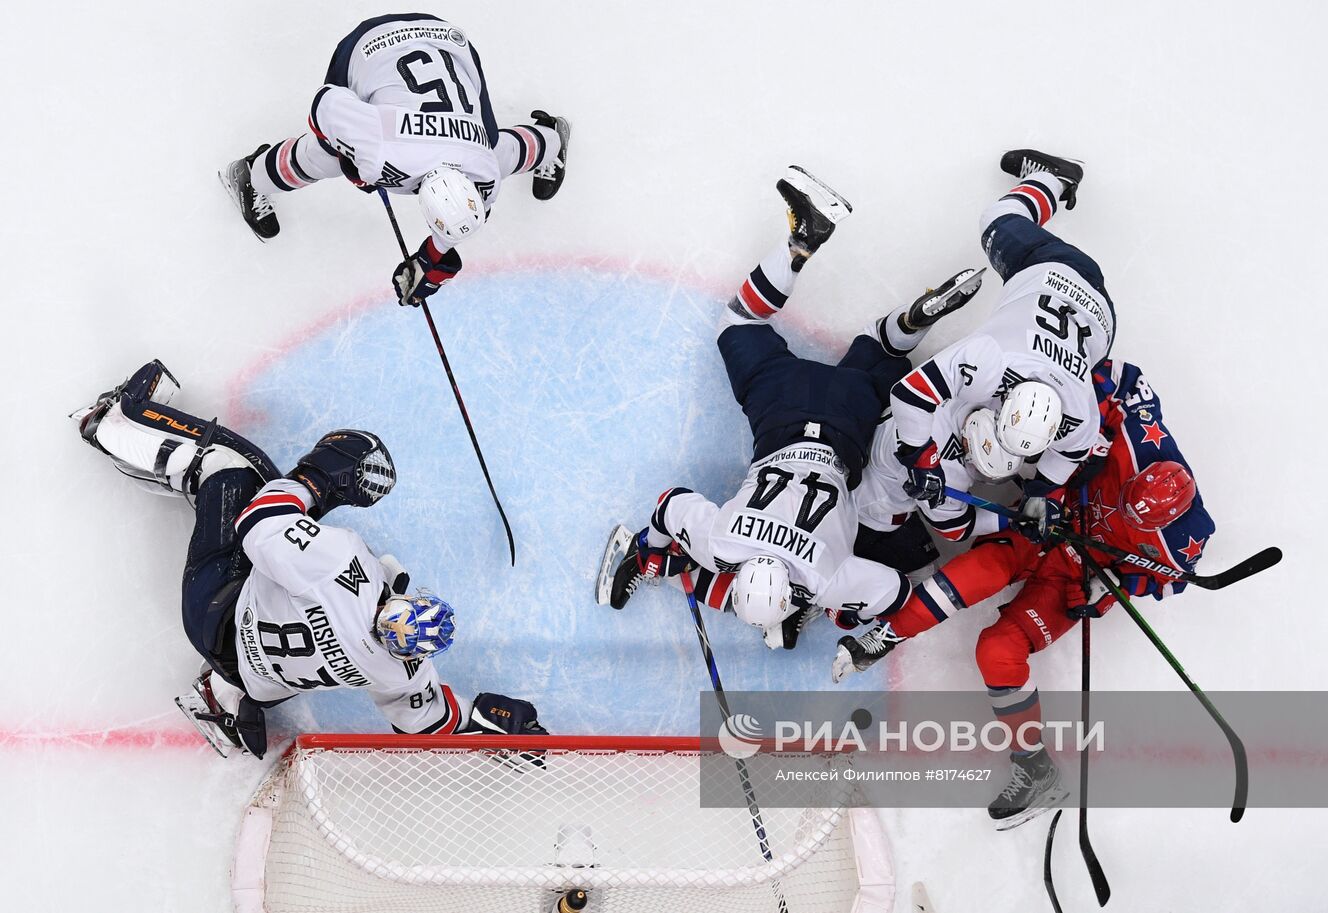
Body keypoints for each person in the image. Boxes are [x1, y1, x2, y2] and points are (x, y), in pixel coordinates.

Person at [72, 360, 545, 758]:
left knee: (237, 468)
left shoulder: (337, 569)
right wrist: (485, 717)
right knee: (285, 641)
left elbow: (257, 524)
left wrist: (316, 480)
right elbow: (430, 723)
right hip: (253, 674)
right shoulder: (402, 671)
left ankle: (113, 425)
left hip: (213, 606)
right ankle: (224, 699)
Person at [597, 168, 977, 648]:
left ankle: (908, 323)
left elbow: (896, 592)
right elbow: (670, 503)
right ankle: (800, 244)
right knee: (739, 321)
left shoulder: (824, 580)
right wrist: (648, 547)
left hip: (852, 420)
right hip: (784, 410)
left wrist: (839, 611)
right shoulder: (723, 546)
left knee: (878, 360)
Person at [833, 359, 1215, 829]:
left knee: (998, 651)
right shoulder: (1141, 444)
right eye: (1124, 498)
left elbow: (1164, 580)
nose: (1124, 514)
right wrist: (1066, 466)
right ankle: (885, 636)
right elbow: (1115, 374)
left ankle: (1037, 770)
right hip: (1047, 525)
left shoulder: (1183, 542)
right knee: (977, 571)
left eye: (1136, 522)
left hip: (1074, 575)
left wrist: (1110, 587)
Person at [220, 12, 571, 307]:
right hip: (372, 44)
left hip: (449, 40)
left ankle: (553, 136)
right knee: (323, 156)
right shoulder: (385, 148)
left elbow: (459, 218)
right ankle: (251, 175)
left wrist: (432, 259)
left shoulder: (484, 176)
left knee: (494, 149)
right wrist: (350, 158)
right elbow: (324, 104)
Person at [882, 149, 1116, 543]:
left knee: (998, 221)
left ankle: (1055, 179)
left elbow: (1072, 451)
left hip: (1098, 319)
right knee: (996, 222)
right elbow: (909, 394)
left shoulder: (1078, 413)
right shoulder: (997, 363)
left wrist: (1044, 494)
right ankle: (1053, 179)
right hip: (1068, 287)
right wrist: (1042, 492)